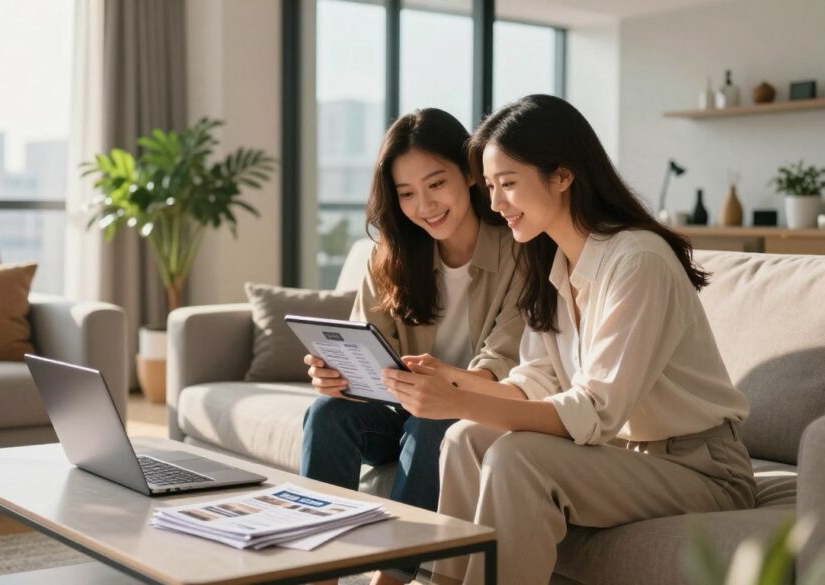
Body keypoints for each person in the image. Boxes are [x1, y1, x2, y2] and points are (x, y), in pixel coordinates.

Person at [380, 95, 756, 585]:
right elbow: (535, 382)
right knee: (464, 438)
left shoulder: (637, 260)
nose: (494, 204)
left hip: (702, 470)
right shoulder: (555, 264)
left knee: (518, 459)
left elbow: (596, 409)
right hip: (624, 454)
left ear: (562, 175)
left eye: (508, 184)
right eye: (490, 187)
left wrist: (457, 400)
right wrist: (449, 384)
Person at [301, 108, 525, 585]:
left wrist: (441, 387)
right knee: (325, 415)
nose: (424, 205)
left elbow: (503, 363)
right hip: (402, 411)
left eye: (435, 184)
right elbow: (370, 357)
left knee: (431, 418)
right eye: (406, 194)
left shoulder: (517, 250)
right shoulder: (390, 257)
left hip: (474, 413)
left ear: (469, 172)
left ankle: (392, 577)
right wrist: (338, 377)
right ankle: (318, 572)